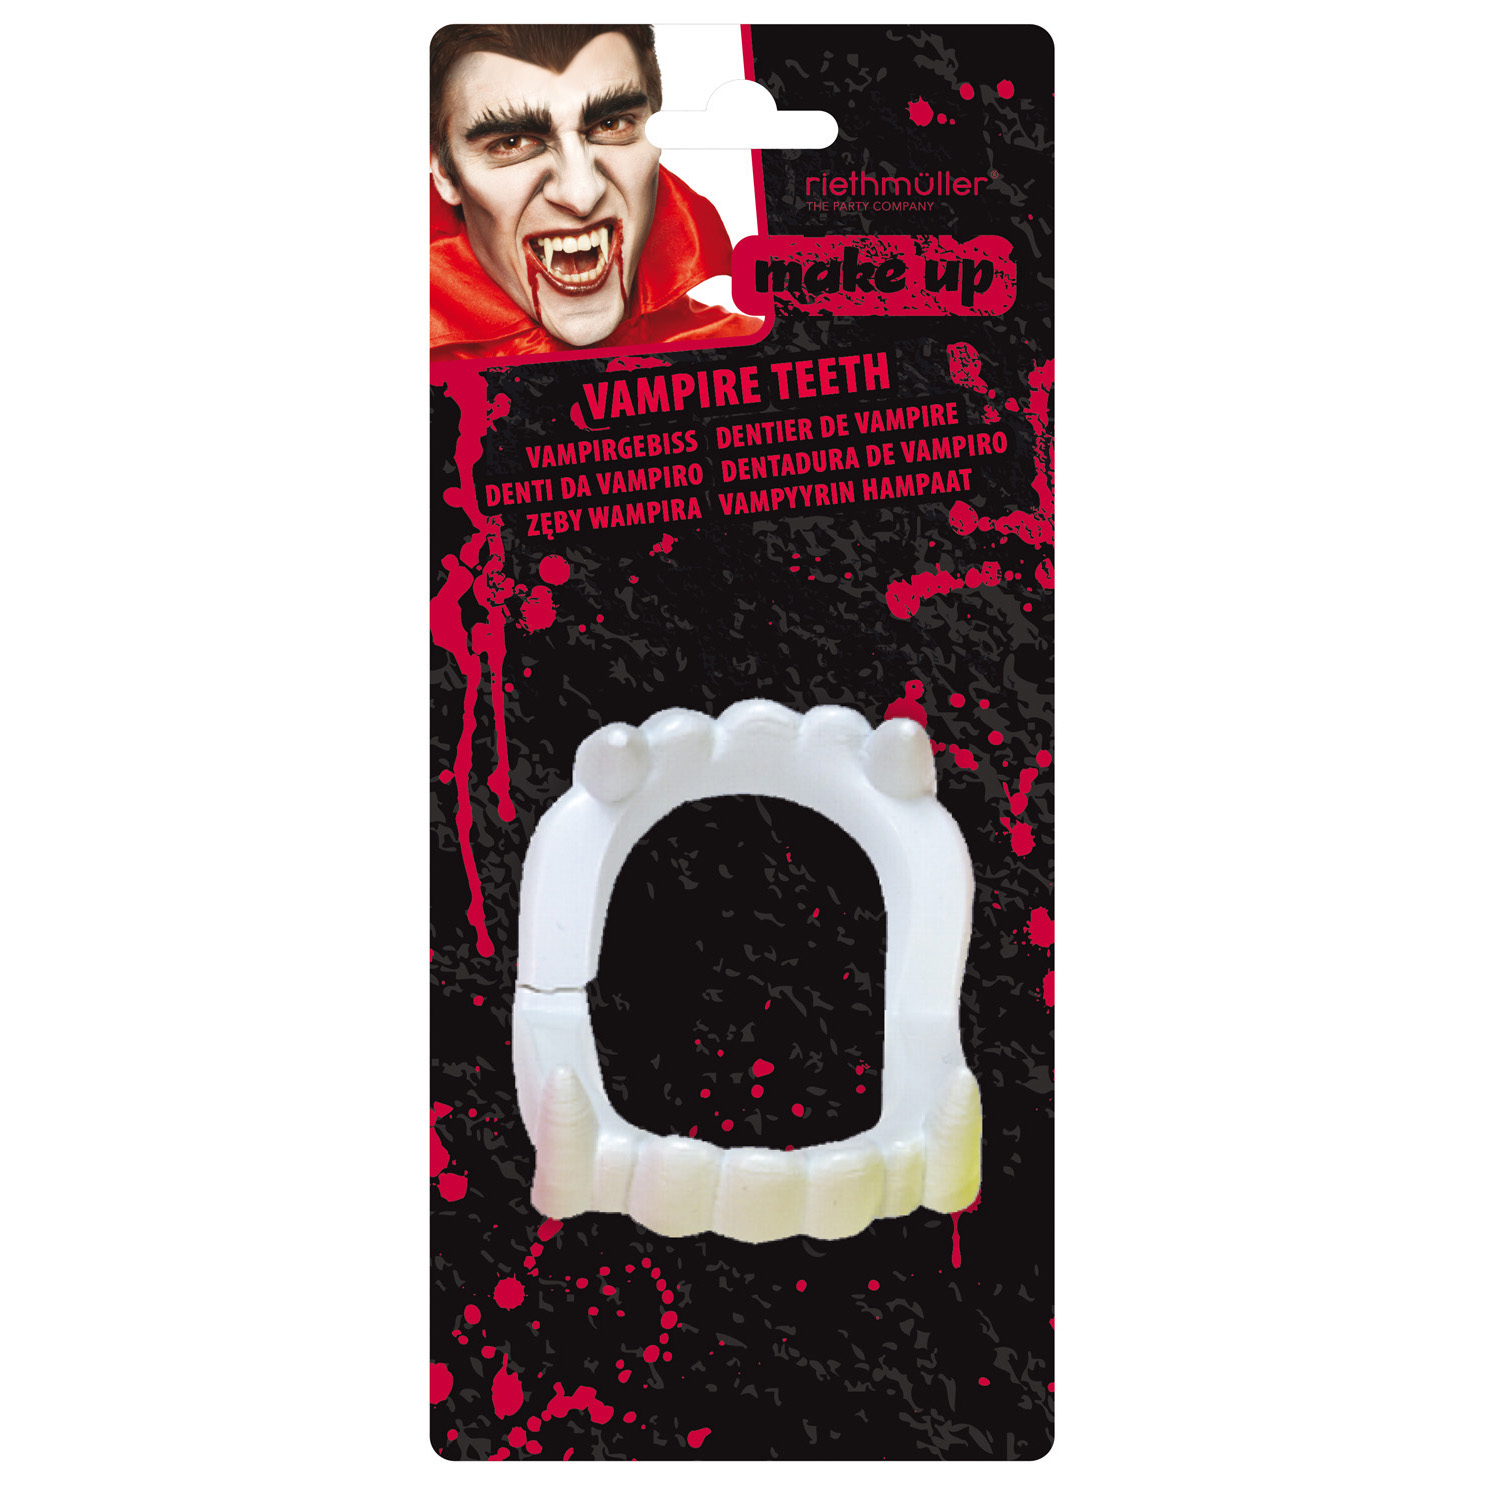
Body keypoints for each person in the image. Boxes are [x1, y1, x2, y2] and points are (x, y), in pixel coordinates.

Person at [430, 24, 762, 360]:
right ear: (444, 173)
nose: (582, 196)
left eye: (610, 124)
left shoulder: (748, 356)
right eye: (512, 143)